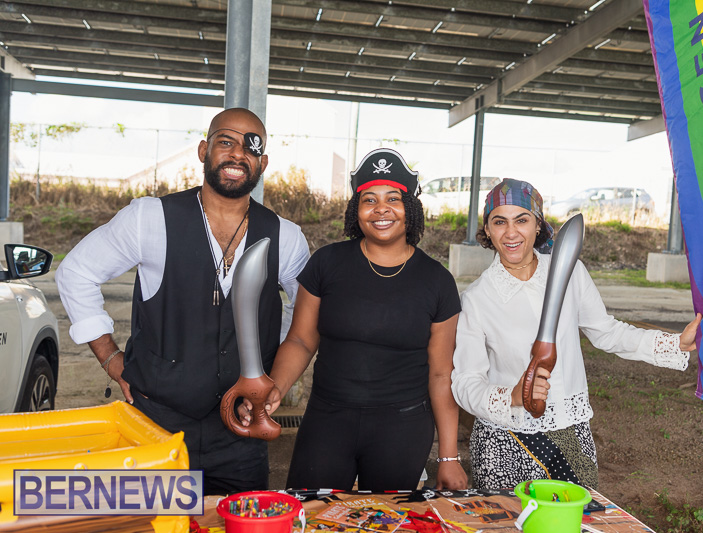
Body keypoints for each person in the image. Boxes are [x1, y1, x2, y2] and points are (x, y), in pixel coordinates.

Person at [55, 108, 310, 495]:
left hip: (241, 433)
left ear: (263, 163)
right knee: (153, 522)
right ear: (204, 150)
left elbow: (305, 313)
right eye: (226, 142)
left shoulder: (286, 237)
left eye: (251, 147)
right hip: (156, 423)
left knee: (238, 521)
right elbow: (76, 273)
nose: (238, 154)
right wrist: (110, 358)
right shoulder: (150, 218)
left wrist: (268, 369)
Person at [451, 178, 701, 490]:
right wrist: (509, 397)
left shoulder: (569, 271)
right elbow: (464, 382)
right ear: (487, 230)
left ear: (538, 224)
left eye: (522, 220)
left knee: (575, 523)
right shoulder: (476, 298)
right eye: (499, 222)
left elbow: (607, 332)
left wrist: (674, 342)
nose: (511, 232)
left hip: (570, 433)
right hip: (504, 441)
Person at [244, 148, 468, 491]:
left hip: (402, 428)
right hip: (327, 419)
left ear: (410, 208)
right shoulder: (327, 264)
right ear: (356, 209)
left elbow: (440, 374)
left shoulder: (436, 281)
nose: (381, 209)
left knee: (387, 524)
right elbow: (301, 341)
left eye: (393, 198)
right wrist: (275, 388)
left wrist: (449, 458)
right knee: (312, 516)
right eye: (369, 199)